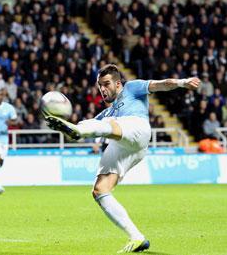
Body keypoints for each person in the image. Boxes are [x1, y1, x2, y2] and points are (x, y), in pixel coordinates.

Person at [45, 64, 200, 253]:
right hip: (125, 145)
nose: (103, 89)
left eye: (106, 84)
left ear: (118, 83)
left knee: (101, 124)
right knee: (99, 190)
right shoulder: (107, 113)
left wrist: (183, 82)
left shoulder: (131, 88)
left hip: (138, 128)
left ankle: (77, 129)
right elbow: (93, 128)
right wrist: (64, 127)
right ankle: (137, 238)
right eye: (100, 85)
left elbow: (162, 84)